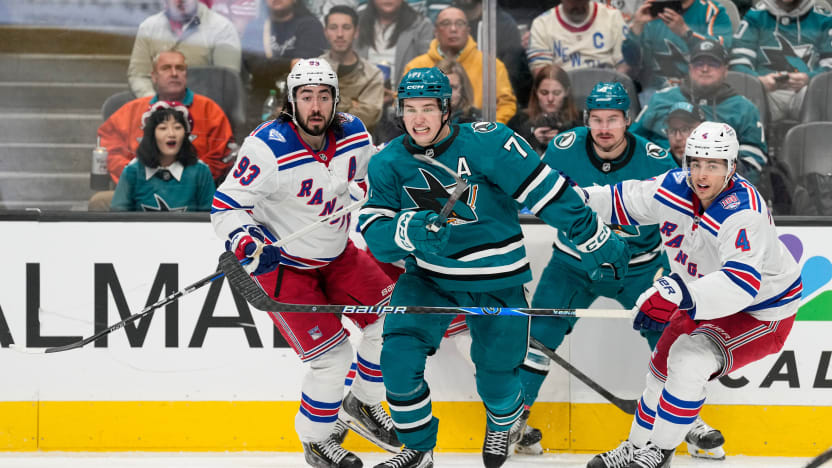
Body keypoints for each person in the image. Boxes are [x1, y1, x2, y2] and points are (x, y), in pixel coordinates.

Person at [357, 66, 630, 468]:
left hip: (498, 281)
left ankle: (503, 421)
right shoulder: (389, 162)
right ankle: (416, 448)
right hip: (429, 279)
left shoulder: (490, 143)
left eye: (428, 109)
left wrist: (593, 236)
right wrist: (406, 230)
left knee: (498, 378)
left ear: (446, 109)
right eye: (409, 109)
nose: (418, 119)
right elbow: (374, 230)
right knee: (396, 358)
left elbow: (548, 193)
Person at [211, 59, 402, 468]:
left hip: (338, 254)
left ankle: (364, 402)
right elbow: (226, 206)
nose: (315, 106)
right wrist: (247, 240)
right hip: (283, 267)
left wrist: (367, 188)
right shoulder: (267, 147)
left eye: (323, 96)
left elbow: (374, 179)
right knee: (332, 359)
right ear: (291, 101)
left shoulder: (353, 132)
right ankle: (316, 441)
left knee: (390, 318)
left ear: (335, 100)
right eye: (305, 96)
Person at [585, 121, 801, 468]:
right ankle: (636, 447)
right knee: (658, 371)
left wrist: (674, 293)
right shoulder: (676, 187)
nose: (701, 174)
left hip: (761, 311)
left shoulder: (743, 212)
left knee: (688, 360)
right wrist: (564, 200)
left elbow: (739, 285)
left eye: (713, 166)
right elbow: (620, 200)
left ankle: (658, 454)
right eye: (695, 162)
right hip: (700, 294)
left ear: (731, 168)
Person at [93, 49, 235, 210]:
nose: (174, 73)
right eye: (166, 68)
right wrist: (142, 179)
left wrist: (185, 180)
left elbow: (221, 157)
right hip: (138, 190)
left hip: (193, 192)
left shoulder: (210, 110)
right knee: (99, 202)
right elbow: (109, 151)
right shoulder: (129, 111)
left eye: (180, 68)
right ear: (153, 76)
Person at [630, 39, 767, 184]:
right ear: (690, 68)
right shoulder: (661, 99)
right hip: (658, 181)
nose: (705, 69)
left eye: (713, 64)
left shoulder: (744, 108)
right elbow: (632, 142)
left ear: (725, 70)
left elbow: (753, 159)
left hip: (717, 187)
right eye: (698, 64)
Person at [401, 7, 517, 124]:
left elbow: (506, 104)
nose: (453, 29)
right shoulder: (416, 67)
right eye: (446, 23)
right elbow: (403, 103)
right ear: (435, 31)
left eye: (460, 24)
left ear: (468, 30)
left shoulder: (492, 65)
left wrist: (485, 130)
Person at [729, 0, 832, 121]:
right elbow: (738, 61)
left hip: (807, 92)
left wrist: (809, 79)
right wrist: (759, 82)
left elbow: (829, 65)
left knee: (824, 95)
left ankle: (815, 139)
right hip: (766, 92)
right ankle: (755, 139)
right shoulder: (755, 16)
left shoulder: (824, 18)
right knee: (747, 99)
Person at [111, 101, 215, 211]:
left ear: (185, 134)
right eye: (163, 128)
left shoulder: (200, 171)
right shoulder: (132, 171)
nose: (171, 134)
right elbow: (118, 219)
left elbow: (212, 218)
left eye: (177, 127)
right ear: (151, 135)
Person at [241, 0, 328, 129]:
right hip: (260, 99)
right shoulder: (255, 27)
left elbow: (306, 66)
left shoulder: (310, 25)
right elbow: (255, 66)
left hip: (300, 98)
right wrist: (289, 64)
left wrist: (274, 66)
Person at [355, 0, 434, 142]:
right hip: (362, 103)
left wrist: (397, 95)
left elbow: (427, 72)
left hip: (402, 107)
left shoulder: (421, 25)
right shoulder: (356, 22)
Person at [128, 0, 241, 98]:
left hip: (204, 112)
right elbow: (139, 75)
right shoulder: (148, 28)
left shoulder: (222, 28)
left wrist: (196, 107)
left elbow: (226, 84)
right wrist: (154, 103)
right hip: (158, 115)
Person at [623, 0, 732, 96]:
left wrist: (686, 33)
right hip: (656, 91)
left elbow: (722, 52)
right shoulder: (651, 11)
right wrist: (636, 28)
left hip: (700, 90)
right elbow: (632, 61)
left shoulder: (712, 11)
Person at [453, 0, 533, 106]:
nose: (453, 28)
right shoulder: (446, 23)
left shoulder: (504, 26)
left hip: (492, 105)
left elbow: (510, 79)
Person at [321, 5, 385, 133]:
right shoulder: (312, 68)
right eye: (333, 28)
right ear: (326, 32)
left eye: (346, 28)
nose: (339, 34)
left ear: (356, 32)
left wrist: (326, 104)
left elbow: (366, 118)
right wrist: (351, 104)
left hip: (356, 145)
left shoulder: (372, 74)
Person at [526, 0, 627, 74]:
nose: (579, 7)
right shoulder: (541, 24)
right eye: (573, 2)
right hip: (565, 94)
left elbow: (624, 65)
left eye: (582, 1)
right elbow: (541, 75)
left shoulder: (612, 16)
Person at [507, 64, 580, 155]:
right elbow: (507, 158)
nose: (550, 99)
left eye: (556, 93)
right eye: (544, 92)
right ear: (536, 92)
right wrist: (532, 140)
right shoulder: (519, 122)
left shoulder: (578, 122)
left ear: (566, 92)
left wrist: (564, 140)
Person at [437, 58, 481, 123]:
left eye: (453, 87)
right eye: (441, 86)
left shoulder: (476, 120)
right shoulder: (421, 118)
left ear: (462, 90)